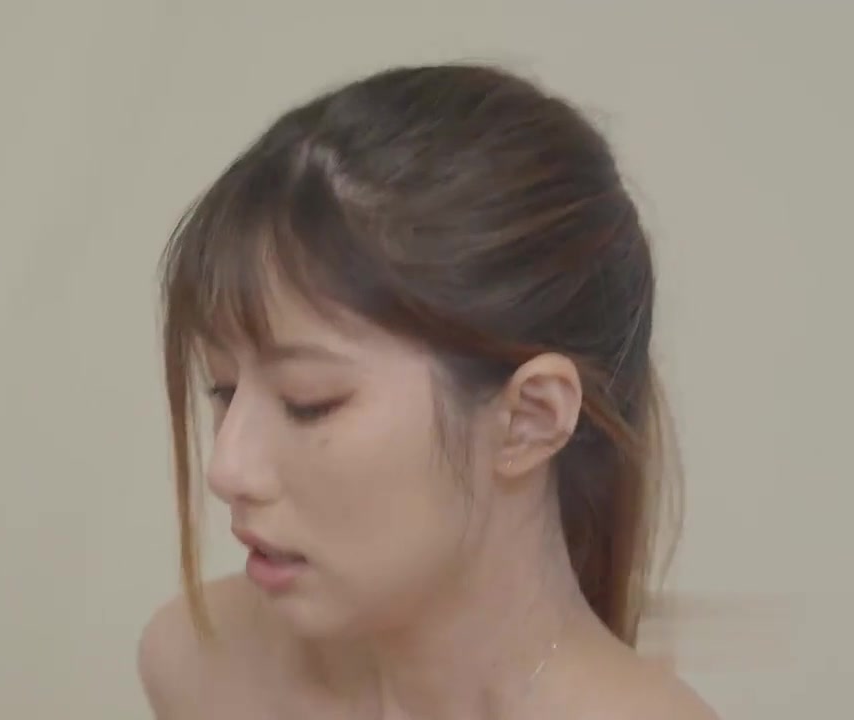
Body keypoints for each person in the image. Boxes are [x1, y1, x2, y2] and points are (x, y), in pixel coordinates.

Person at [137, 63, 719, 720]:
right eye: (222, 389)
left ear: (529, 418)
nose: (226, 469)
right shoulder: (199, 665)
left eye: (308, 402)